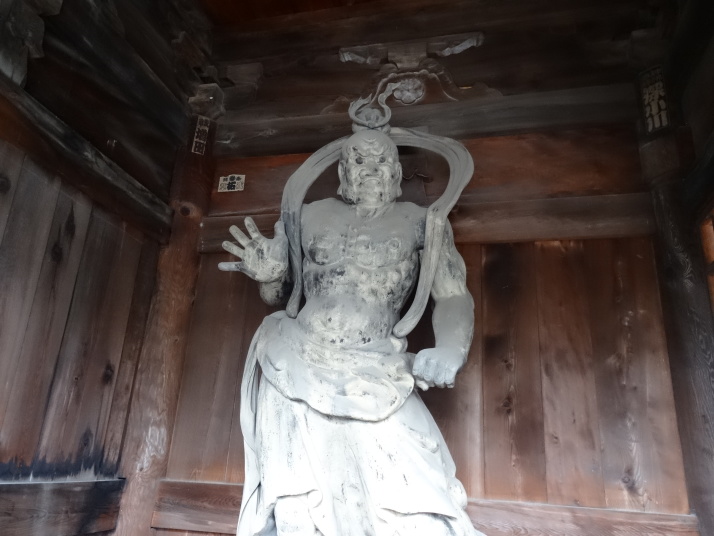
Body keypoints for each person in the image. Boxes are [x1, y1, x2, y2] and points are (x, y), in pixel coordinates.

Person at [219, 126, 483, 536]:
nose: (370, 169)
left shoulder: (422, 224)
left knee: (414, 494)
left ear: (396, 172)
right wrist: (268, 276)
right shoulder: (309, 215)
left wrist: (451, 348)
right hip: (294, 357)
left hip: (377, 365)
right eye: (358, 161)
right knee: (296, 495)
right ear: (343, 172)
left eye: (380, 160)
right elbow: (281, 295)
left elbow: (451, 294)